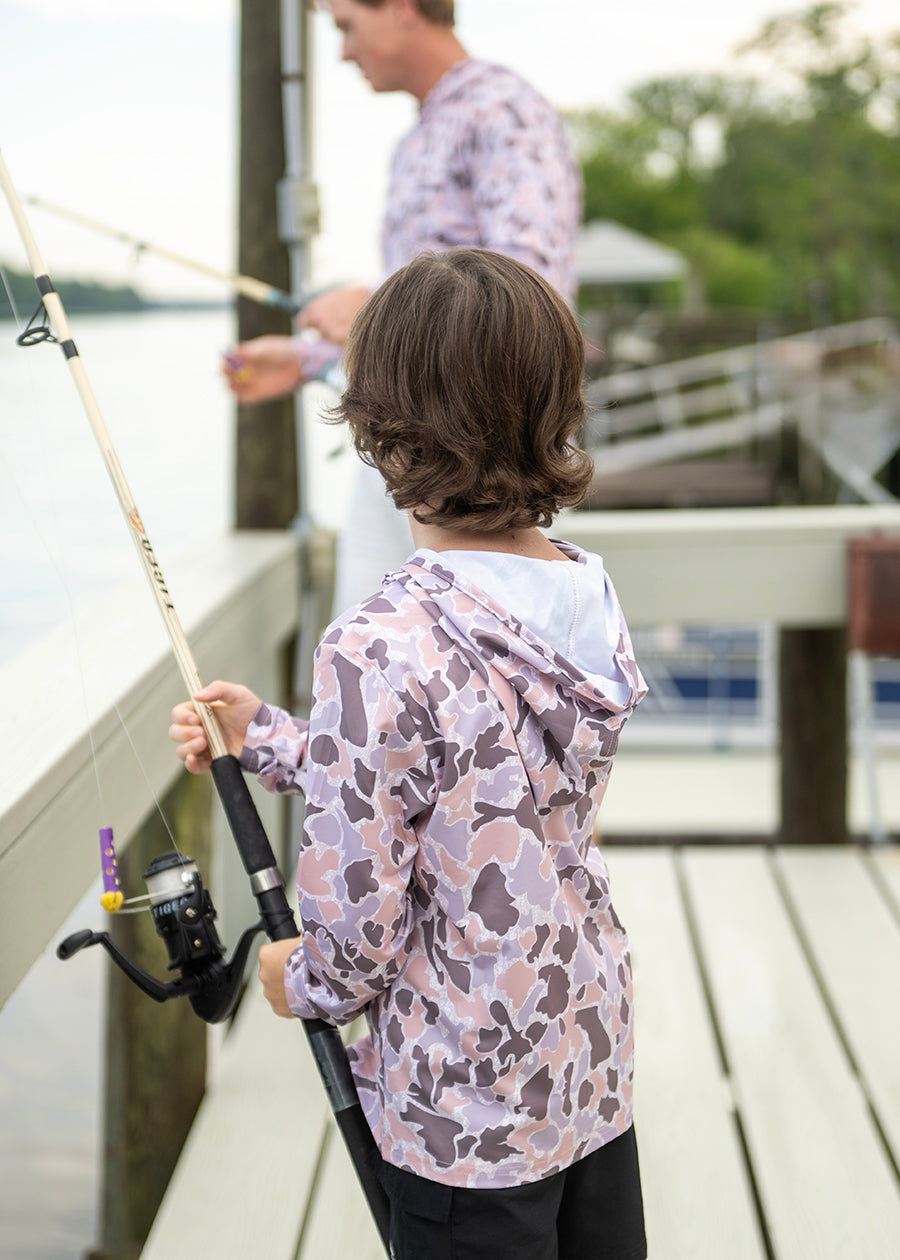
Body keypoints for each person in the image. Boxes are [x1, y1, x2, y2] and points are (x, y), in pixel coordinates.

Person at [172, 249, 647, 1260]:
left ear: (381, 431)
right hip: (585, 1057)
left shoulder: (380, 641)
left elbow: (353, 932)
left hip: (463, 1106)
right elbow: (468, 785)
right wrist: (269, 736)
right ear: (558, 407)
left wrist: (294, 979)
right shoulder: (582, 592)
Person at [224, 0, 584, 610]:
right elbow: (433, 321)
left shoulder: (502, 109)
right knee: (363, 650)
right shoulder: (422, 132)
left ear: (398, 9)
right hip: (402, 450)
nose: (342, 51)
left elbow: (532, 285)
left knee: (483, 669)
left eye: (346, 26)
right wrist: (311, 358)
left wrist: (367, 306)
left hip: (486, 462)